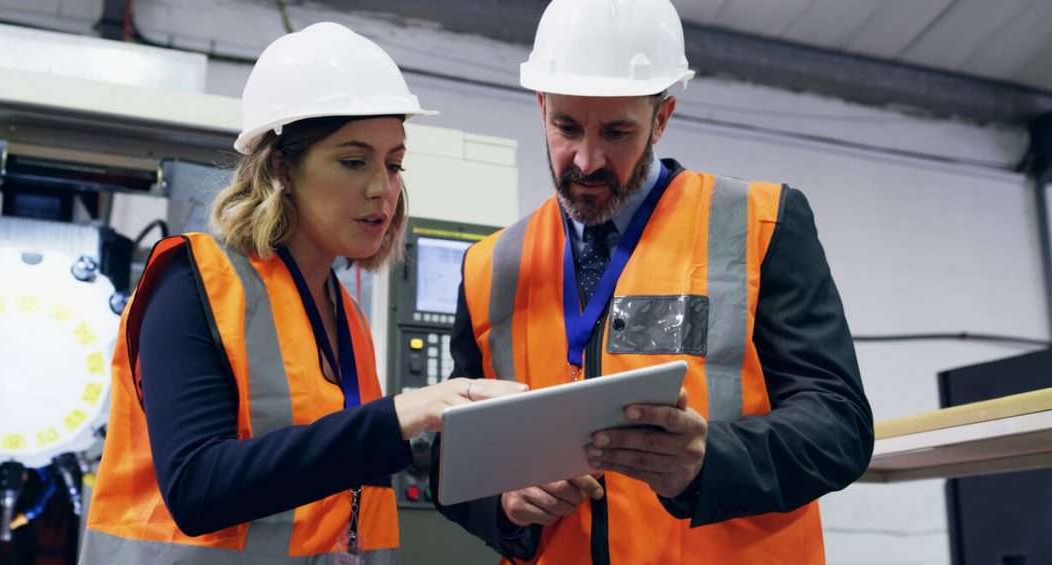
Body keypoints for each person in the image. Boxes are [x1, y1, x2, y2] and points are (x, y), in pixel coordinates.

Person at [432, 1, 874, 563]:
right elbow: (446, 450)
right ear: (540, 105)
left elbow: (840, 426)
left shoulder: (761, 225)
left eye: (617, 132)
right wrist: (502, 500)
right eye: (566, 127)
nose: (587, 161)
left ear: (661, 117)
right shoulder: (489, 267)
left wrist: (708, 461)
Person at [79, 22, 526, 564]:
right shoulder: (193, 282)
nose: (381, 188)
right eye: (353, 160)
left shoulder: (349, 319)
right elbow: (197, 489)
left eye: (393, 163)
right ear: (280, 168)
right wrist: (403, 413)